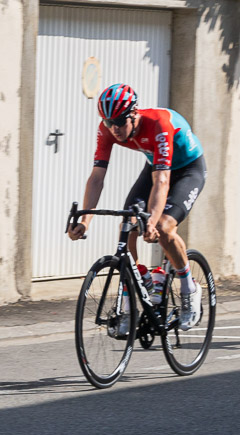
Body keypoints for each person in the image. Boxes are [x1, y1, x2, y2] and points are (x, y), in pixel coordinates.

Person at [67, 83, 207, 333]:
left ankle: (189, 288)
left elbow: (162, 181)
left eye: (120, 121)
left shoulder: (159, 123)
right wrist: (85, 220)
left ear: (134, 113)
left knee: (164, 227)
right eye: (109, 122)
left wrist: (152, 222)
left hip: (187, 170)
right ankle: (140, 282)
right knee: (127, 224)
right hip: (156, 167)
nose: (115, 128)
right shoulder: (107, 129)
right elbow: (97, 176)